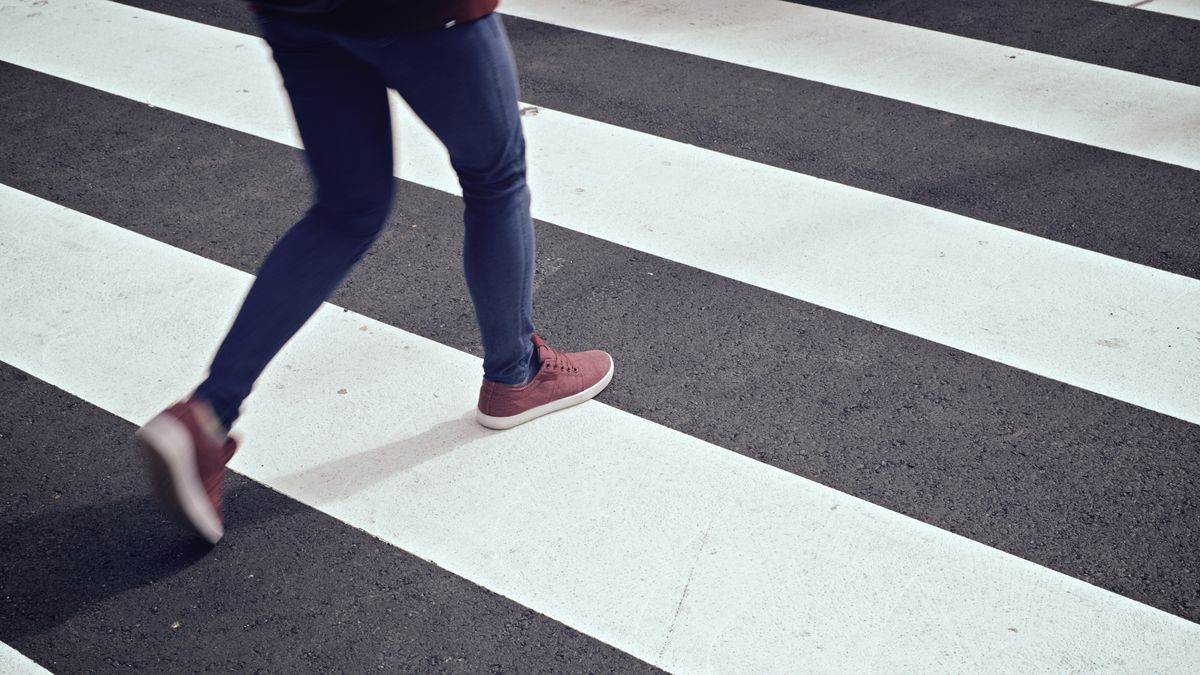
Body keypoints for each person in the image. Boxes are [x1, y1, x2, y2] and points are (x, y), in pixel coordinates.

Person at [134, 0, 614, 545]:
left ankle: (208, 412)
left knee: (345, 211)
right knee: (494, 178)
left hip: (298, 12)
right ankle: (515, 372)